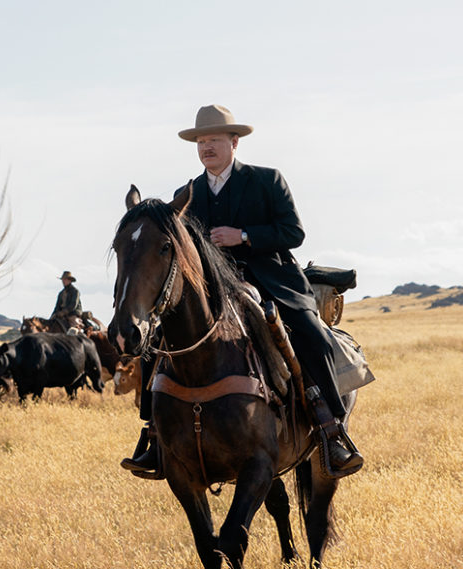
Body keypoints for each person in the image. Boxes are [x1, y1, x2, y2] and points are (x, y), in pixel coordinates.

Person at [121, 104, 363, 479]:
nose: (206, 148)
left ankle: (331, 429)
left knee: (311, 335)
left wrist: (244, 236)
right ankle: (152, 436)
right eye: (201, 141)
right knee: (160, 341)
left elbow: (293, 233)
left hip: (272, 281)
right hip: (212, 290)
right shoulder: (187, 194)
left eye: (214, 140)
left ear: (234, 142)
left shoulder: (267, 180)